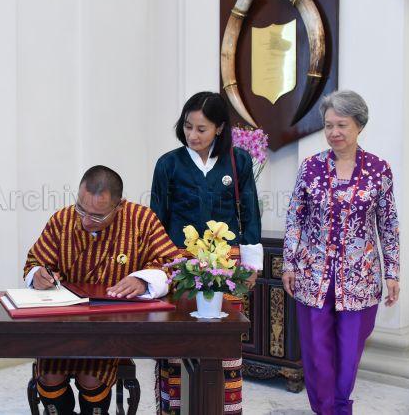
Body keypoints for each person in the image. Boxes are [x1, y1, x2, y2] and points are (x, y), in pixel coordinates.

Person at [24, 165, 180, 415]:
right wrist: (38, 275)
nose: (86, 220)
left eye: (97, 216)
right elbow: (34, 262)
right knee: (50, 375)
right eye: (81, 209)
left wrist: (143, 280)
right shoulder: (62, 220)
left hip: (112, 326)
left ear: (119, 206)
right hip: (63, 324)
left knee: (91, 377)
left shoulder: (142, 220)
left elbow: (173, 266)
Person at [282, 90, 400, 415]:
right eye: (328, 125)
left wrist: (392, 273)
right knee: (318, 355)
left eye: (342, 125)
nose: (334, 132)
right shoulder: (310, 167)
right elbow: (295, 217)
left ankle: (339, 405)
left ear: (359, 126)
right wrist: (289, 263)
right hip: (312, 276)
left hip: (360, 280)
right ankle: (327, 411)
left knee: (348, 356)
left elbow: (388, 225)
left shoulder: (379, 170)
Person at [150, 91, 263, 415]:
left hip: (225, 264)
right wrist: (156, 265)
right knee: (177, 337)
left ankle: (222, 407)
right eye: (188, 127)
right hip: (178, 262)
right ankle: (173, 407)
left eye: (202, 128)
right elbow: (155, 217)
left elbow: (250, 212)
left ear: (219, 128)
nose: (193, 135)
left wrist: (251, 262)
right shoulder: (168, 163)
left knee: (223, 340)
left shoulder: (238, 160)